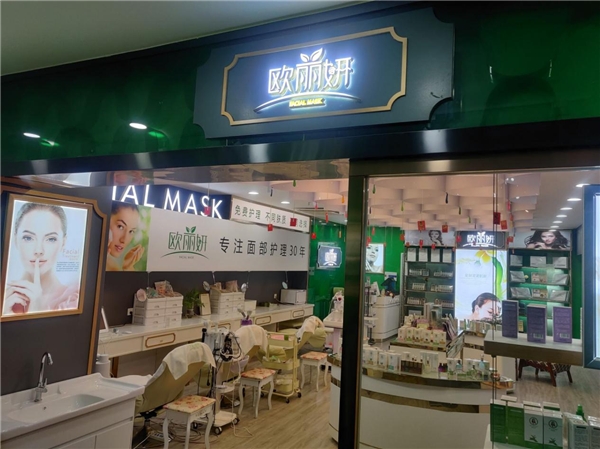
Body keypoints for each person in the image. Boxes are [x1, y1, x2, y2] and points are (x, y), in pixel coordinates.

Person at [3, 202, 79, 315]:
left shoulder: (73, 300)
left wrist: (36, 310)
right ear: (15, 239)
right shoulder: (4, 298)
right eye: (28, 238)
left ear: (63, 242)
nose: (38, 250)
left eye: (51, 239)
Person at [106, 202, 145, 271]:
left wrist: (128, 267)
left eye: (131, 231)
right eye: (120, 227)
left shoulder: (113, 267)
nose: (124, 240)